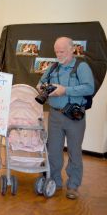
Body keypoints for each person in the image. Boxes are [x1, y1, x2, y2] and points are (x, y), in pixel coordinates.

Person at [37, 36, 94, 200]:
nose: (59, 55)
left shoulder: (81, 67)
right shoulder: (53, 67)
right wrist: (43, 88)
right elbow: (40, 82)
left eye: (62, 51)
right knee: (54, 151)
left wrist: (65, 90)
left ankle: (73, 185)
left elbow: (89, 88)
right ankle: (55, 182)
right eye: (56, 51)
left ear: (72, 49)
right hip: (55, 115)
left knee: (74, 152)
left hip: (74, 116)